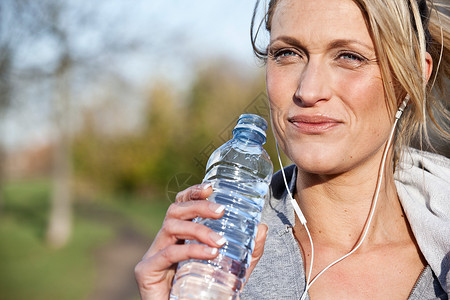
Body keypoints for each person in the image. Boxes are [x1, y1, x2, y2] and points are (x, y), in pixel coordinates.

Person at [135, 0, 450, 298]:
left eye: (349, 57)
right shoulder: (215, 261)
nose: (309, 91)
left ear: (412, 77)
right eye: (287, 53)